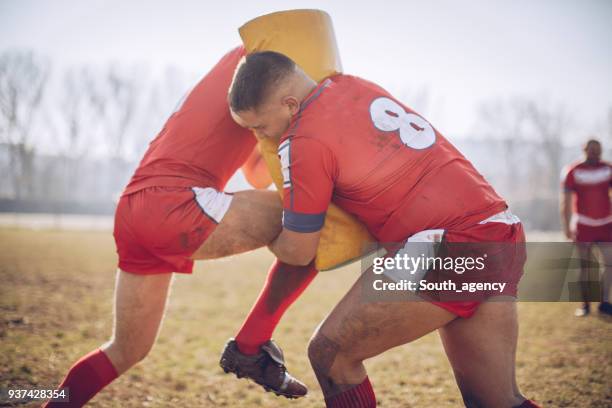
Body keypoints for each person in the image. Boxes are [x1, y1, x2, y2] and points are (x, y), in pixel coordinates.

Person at [229, 51, 540, 408]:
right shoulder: (352, 85)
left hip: (451, 244)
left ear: (289, 105)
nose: (258, 137)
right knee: (498, 402)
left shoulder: (303, 140)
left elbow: (299, 250)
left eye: (258, 126)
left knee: (331, 355)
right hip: (498, 229)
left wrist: (266, 231)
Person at [43, 46, 316, 407]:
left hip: (134, 207)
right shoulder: (267, 48)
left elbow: (256, 173)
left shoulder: (250, 82)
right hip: (174, 202)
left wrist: (284, 131)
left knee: (127, 349)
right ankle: (251, 346)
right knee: (314, 221)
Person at [561, 139, 612, 317]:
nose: (595, 153)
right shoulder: (573, 171)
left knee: (609, 263)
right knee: (585, 267)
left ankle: (605, 302)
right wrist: (566, 227)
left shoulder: (608, 169)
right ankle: (585, 305)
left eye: (598, 150)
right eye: (591, 150)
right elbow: (566, 202)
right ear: (584, 150)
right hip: (583, 225)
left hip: (606, 224)